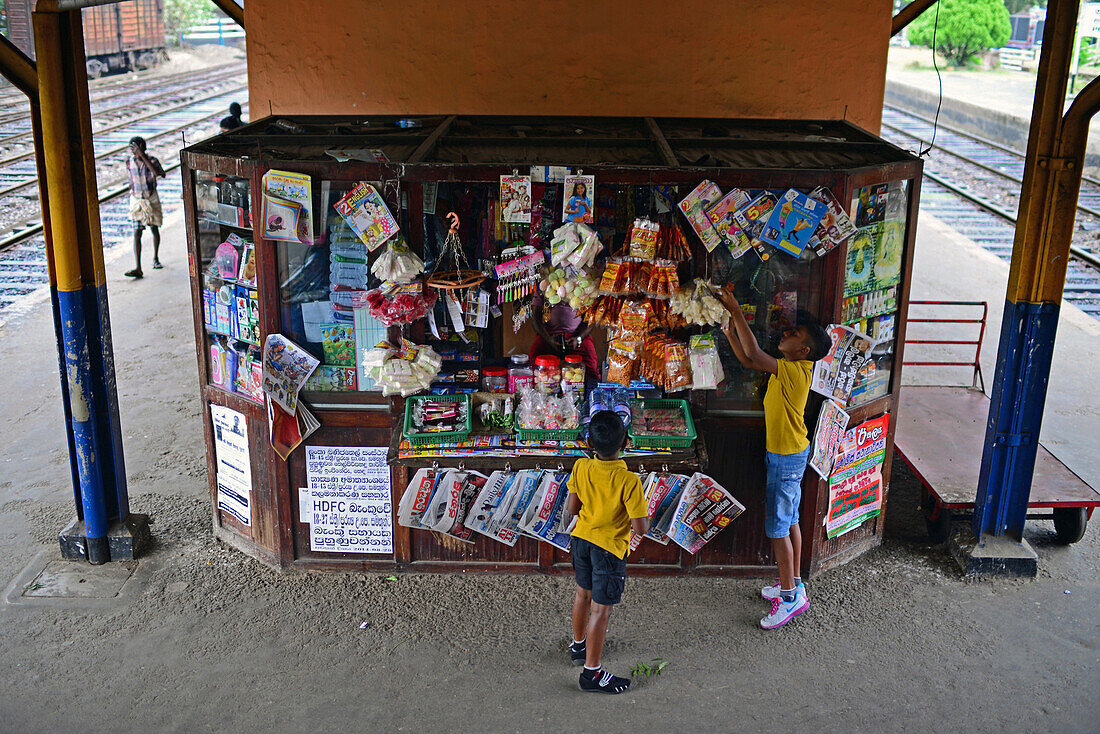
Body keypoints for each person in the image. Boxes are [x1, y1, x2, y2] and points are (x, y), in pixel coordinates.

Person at [716, 286, 831, 630]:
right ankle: (793, 584)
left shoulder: (796, 372)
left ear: (804, 350)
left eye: (793, 334)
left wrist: (735, 310)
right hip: (789, 453)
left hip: (786, 456)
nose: (786, 334)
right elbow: (749, 359)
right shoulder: (789, 367)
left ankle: (790, 597)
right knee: (791, 520)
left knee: (779, 527)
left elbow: (753, 350)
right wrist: (728, 332)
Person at [563, 410, 650, 694]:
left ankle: (578, 647)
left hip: (581, 542)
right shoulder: (629, 481)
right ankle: (592, 674)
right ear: (625, 442)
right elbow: (641, 529)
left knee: (582, 595)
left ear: (589, 442)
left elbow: (573, 509)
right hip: (609, 549)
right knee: (601, 610)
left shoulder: (581, 468)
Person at [529, 295, 599, 378]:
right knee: (534, 359)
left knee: (590, 365)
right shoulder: (544, 287)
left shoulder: (586, 289)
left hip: (578, 336)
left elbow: (591, 318)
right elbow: (535, 318)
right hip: (549, 336)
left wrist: (578, 338)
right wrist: (548, 339)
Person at [125, 136, 166, 278]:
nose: (133, 150)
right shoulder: (129, 162)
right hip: (137, 200)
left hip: (151, 198)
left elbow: (157, 173)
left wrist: (142, 156)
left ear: (142, 146)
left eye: (135, 147)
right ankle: (138, 267)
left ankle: (155, 258)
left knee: (154, 228)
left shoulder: (153, 160)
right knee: (137, 233)